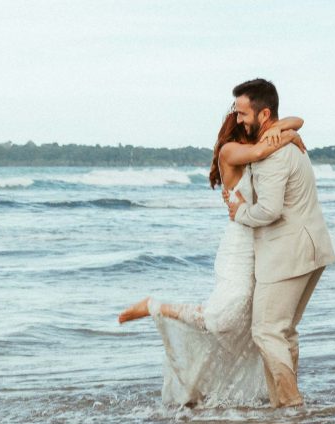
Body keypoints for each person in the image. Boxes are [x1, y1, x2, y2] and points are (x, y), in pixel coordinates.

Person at [117, 107, 306, 408]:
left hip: (261, 243)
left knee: (248, 325)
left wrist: (289, 129)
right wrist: (289, 135)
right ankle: (154, 306)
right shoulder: (231, 151)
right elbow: (263, 150)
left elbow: (297, 120)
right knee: (223, 318)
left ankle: (225, 392)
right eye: (245, 123)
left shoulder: (255, 146)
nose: (252, 127)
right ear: (239, 127)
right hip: (239, 246)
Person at [227, 78, 335, 408]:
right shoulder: (282, 144)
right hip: (312, 248)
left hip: (287, 253)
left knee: (266, 331)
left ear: (264, 115)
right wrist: (289, 128)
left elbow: (269, 210)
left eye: (244, 114)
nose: (239, 120)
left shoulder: (273, 155)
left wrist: (239, 212)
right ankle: (283, 403)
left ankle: (290, 403)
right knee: (283, 331)